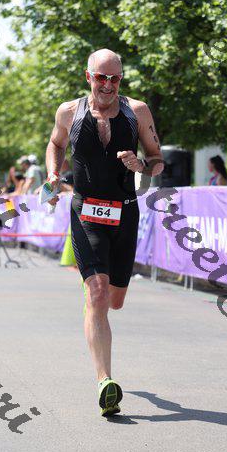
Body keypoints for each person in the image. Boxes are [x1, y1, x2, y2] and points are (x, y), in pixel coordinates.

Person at [44, 48, 164, 416]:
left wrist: (141, 165)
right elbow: (56, 144)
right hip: (86, 214)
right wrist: (52, 174)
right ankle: (105, 381)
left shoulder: (137, 112)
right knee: (97, 294)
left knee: (114, 300)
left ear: (121, 80)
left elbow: (157, 161)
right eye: (101, 77)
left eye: (115, 78)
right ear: (88, 77)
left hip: (125, 213)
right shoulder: (69, 112)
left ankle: (98, 309)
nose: (108, 85)